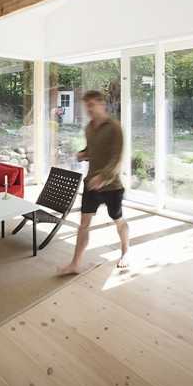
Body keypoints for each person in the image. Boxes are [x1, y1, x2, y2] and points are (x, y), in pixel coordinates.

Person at [58, 90, 129, 275]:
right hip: (91, 184)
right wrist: (82, 154)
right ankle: (75, 264)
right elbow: (92, 150)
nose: (88, 109)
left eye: (91, 105)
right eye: (86, 106)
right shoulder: (89, 128)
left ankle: (125, 252)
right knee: (84, 224)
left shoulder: (114, 127)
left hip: (112, 186)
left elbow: (117, 158)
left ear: (101, 104)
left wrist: (103, 177)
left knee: (118, 220)